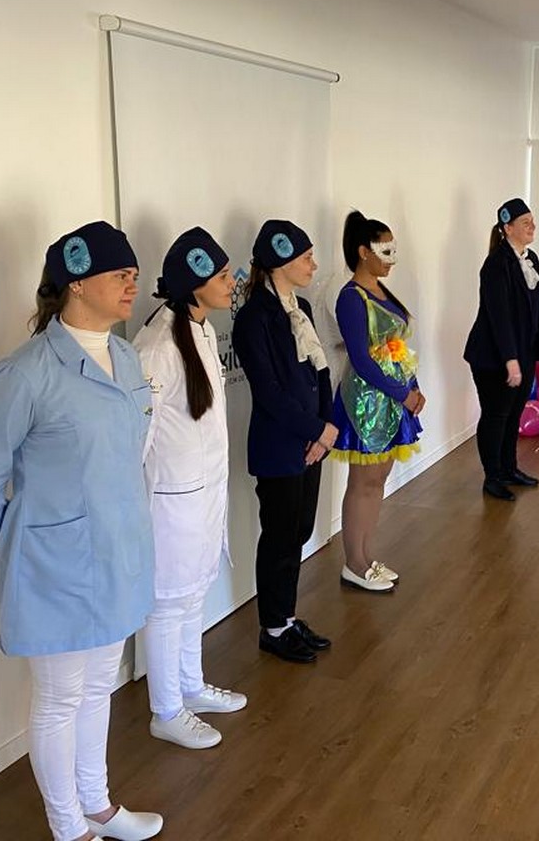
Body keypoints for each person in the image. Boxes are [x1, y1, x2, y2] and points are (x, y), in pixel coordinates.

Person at [0, 221, 162, 841]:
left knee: (99, 686)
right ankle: (68, 826)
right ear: (76, 282)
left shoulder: (126, 357)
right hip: (58, 570)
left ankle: (97, 804)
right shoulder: (25, 373)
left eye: (134, 274)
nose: (132, 285)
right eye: (119, 275)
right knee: (59, 697)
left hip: (118, 555)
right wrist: (24, 546)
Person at [133, 227, 247, 750]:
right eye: (222, 276)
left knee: (194, 593)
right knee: (167, 605)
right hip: (171, 502)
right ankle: (166, 710)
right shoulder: (157, 346)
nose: (231, 283)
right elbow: (138, 437)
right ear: (195, 283)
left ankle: (190, 686)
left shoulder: (199, 328)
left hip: (202, 495)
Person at [231, 219, 335, 664]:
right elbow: (269, 392)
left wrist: (325, 428)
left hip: (312, 441)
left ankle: (287, 618)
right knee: (279, 536)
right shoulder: (254, 317)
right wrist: (316, 430)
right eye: (306, 257)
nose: (314, 265)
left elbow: (321, 371)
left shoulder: (301, 307)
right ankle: (273, 627)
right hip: (280, 444)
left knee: (299, 531)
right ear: (280, 262)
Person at [329, 211, 424, 591]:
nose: (391, 259)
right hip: (366, 404)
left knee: (378, 480)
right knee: (363, 482)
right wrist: (404, 393)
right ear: (363, 252)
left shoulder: (384, 294)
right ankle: (354, 562)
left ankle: (366, 556)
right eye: (385, 251)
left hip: (393, 399)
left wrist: (412, 386)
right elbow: (362, 360)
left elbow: (397, 350)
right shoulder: (351, 298)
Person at [464, 198, 539, 501]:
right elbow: (499, 316)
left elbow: (535, 305)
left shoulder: (530, 259)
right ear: (508, 227)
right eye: (525, 222)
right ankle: (492, 477)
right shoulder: (496, 264)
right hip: (495, 356)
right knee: (496, 415)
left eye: (532, 221)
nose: (532, 226)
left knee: (513, 414)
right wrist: (510, 361)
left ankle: (508, 469)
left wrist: (534, 351)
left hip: (522, 352)